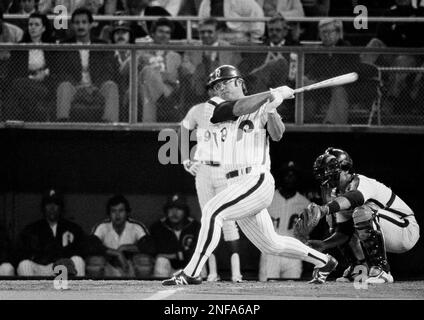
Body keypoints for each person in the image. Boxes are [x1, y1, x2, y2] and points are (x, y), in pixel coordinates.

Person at [162, 64, 338, 286]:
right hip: (234, 183)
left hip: (256, 179)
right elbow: (234, 109)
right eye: (216, 85)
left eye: (225, 83)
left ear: (239, 82)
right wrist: (270, 94)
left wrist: (273, 107)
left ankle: (192, 271)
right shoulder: (214, 106)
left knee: (213, 211)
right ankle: (324, 261)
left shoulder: (261, 106)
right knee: (270, 244)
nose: (220, 89)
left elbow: (277, 135)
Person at [306, 147, 420, 283]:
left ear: (346, 167)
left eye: (330, 170)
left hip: (405, 229)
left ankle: (382, 270)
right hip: (384, 231)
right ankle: (359, 269)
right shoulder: (337, 194)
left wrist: (324, 209)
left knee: (361, 212)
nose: (327, 175)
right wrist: (324, 244)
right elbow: (344, 233)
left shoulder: (361, 182)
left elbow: (356, 197)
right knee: (334, 218)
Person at [180, 88, 243, 283]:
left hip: (226, 169)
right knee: (208, 220)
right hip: (204, 169)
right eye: (215, 88)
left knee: (229, 222)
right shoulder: (198, 110)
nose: (218, 92)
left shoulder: (233, 110)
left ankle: (236, 274)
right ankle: (212, 273)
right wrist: (185, 159)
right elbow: (183, 128)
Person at [55, 7, 120, 122]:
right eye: (77, 23)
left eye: (84, 22)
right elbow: (61, 72)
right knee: (64, 86)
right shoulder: (64, 45)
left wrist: (95, 87)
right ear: (72, 25)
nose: (80, 26)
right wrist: (78, 87)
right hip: (74, 88)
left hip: (97, 87)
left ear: (91, 25)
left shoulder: (103, 45)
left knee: (111, 86)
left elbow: (108, 71)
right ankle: (62, 126)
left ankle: (109, 128)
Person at [259, 161, 310, 281]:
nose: (290, 178)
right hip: (271, 252)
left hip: (294, 253)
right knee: (267, 290)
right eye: (287, 174)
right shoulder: (268, 198)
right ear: (281, 177)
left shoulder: (305, 203)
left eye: (293, 175)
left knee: (292, 292)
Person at [16, 189, 86, 276]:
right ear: (43, 207)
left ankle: (78, 289)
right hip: (41, 268)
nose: (52, 207)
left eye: (56, 204)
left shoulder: (73, 228)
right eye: (48, 204)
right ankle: (32, 290)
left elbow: (81, 250)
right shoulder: (32, 229)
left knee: (77, 259)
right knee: (24, 264)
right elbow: (22, 253)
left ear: (61, 207)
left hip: (64, 267)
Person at [303, 18, 359, 124]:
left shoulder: (347, 49)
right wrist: (307, 79)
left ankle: (332, 126)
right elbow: (314, 71)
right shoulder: (318, 51)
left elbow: (344, 75)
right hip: (323, 88)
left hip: (347, 88)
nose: (326, 35)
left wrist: (317, 81)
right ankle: (304, 123)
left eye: (330, 32)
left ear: (338, 33)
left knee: (338, 89)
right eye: (323, 32)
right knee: (305, 86)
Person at [86, 195, 155, 278]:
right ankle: (96, 290)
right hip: (108, 266)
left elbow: (150, 246)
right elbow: (90, 246)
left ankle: (143, 289)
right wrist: (117, 253)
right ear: (109, 213)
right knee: (95, 261)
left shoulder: (136, 226)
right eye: (113, 211)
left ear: (127, 212)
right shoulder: (102, 226)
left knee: (144, 261)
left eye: (121, 211)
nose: (117, 215)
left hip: (129, 266)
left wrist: (125, 247)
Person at [4, 12, 56, 121]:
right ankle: (39, 116)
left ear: (43, 28)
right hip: (24, 83)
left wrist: (45, 73)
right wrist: (29, 79)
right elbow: (13, 72)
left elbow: (58, 67)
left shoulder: (52, 46)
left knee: (17, 87)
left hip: (44, 84)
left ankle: (10, 122)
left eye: (36, 25)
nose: (32, 27)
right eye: (30, 24)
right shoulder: (20, 48)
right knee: (18, 84)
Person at [180, 17, 241, 105]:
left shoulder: (229, 49)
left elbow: (235, 70)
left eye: (209, 32)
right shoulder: (192, 48)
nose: (205, 35)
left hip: (223, 92)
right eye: (202, 32)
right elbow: (185, 66)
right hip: (197, 91)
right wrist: (196, 74)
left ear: (218, 32)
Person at [135, 18, 182, 122]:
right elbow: (123, 70)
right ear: (152, 34)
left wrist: (158, 75)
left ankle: (148, 127)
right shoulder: (141, 52)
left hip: (168, 89)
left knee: (147, 91)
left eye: (167, 33)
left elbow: (173, 79)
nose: (164, 35)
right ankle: (164, 102)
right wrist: (138, 54)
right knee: (147, 72)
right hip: (141, 88)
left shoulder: (175, 56)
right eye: (161, 31)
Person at [150, 193, 205, 278]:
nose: (174, 212)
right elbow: (157, 251)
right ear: (166, 210)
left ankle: (204, 290)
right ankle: (159, 290)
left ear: (185, 211)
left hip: (189, 268)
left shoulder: (195, 226)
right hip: (169, 269)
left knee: (200, 261)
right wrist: (181, 254)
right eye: (171, 208)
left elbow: (196, 251)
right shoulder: (158, 227)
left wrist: (176, 255)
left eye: (179, 208)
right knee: (161, 261)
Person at [198, 0, 265, 42]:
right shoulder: (205, 3)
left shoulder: (242, 1)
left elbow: (257, 14)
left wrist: (255, 38)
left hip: (239, 38)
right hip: (216, 38)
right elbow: (201, 23)